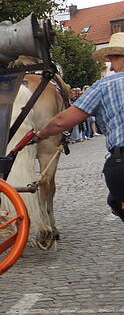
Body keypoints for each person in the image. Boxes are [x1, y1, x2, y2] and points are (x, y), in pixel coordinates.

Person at [33, 37, 124, 223]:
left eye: (112, 60)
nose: (112, 68)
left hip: (121, 164)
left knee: (118, 202)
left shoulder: (105, 86)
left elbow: (61, 122)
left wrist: (40, 134)